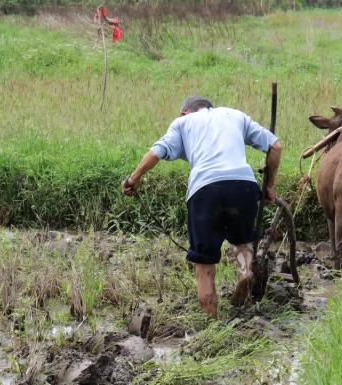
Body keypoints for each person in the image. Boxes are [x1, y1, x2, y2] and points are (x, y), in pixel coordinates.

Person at [121, 96, 282, 319]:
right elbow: (275, 146)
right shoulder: (235, 115)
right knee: (242, 241)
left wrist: (133, 179)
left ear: (185, 113)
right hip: (243, 185)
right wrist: (270, 186)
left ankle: (212, 324)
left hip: (205, 190)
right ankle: (245, 273)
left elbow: (158, 151)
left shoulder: (182, 123)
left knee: (204, 262)